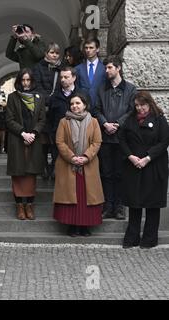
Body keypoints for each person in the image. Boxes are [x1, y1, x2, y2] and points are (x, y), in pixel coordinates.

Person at [119, 91, 169, 249]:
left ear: (149, 104)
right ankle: (132, 237)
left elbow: (164, 142)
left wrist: (148, 157)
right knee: (134, 203)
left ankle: (149, 238)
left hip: (153, 166)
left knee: (152, 204)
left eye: (142, 105)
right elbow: (122, 139)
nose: (139, 108)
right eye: (137, 106)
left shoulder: (160, 120)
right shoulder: (130, 120)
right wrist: (130, 156)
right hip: (134, 166)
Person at [92, 55, 136, 220]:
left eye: (110, 67)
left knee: (120, 173)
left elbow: (132, 110)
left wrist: (117, 123)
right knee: (106, 173)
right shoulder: (102, 88)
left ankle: (119, 206)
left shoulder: (130, 89)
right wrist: (105, 124)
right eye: (106, 68)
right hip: (105, 137)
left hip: (122, 138)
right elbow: (96, 110)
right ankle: (108, 205)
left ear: (118, 68)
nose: (107, 70)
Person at [53, 93, 104, 237]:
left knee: (86, 196)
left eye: (78, 103)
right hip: (69, 164)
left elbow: (97, 142)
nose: (74, 106)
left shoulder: (93, 122)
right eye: (72, 104)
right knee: (71, 196)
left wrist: (86, 157)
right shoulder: (64, 121)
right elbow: (60, 142)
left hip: (88, 165)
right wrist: (72, 157)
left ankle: (85, 226)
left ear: (85, 105)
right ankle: (71, 226)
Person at [6, 69, 46, 220]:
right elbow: (9, 119)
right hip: (18, 139)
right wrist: (23, 133)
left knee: (31, 173)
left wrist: (34, 134)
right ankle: (19, 206)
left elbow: (42, 119)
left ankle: (29, 205)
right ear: (19, 81)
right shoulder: (12, 97)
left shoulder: (39, 98)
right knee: (18, 173)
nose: (26, 83)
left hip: (34, 140)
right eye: (23, 80)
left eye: (28, 80)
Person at [48, 66, 88, 179]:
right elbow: (50, 118)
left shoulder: (82, 95)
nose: (63, 79)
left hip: (79, 138)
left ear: (74, 78)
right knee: (61, 172)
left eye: (66, 77)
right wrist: (52, 136)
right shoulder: (54, 97)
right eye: (61, 77)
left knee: (77, 173)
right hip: (59, 140)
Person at [33, 42, 64, 180]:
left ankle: (55, 166)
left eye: (57, 53)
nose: (54, 55)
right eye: (52, 52)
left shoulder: (62, 68)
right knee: (44, 140)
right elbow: (37, 87)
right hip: (43, 109)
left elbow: (63, 86)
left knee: (56, 140)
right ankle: (45, 165)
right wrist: (48, 100)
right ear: (46, 53)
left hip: (58, 109)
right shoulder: (38, 68)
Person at [75, 38, 106, 107]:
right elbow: (76, 88)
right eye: (86, 48)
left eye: (91, 48)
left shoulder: (105, 69)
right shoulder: (78, 69)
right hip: (83, 108)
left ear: (97, 49)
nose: (88, 50)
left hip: (100, 107)